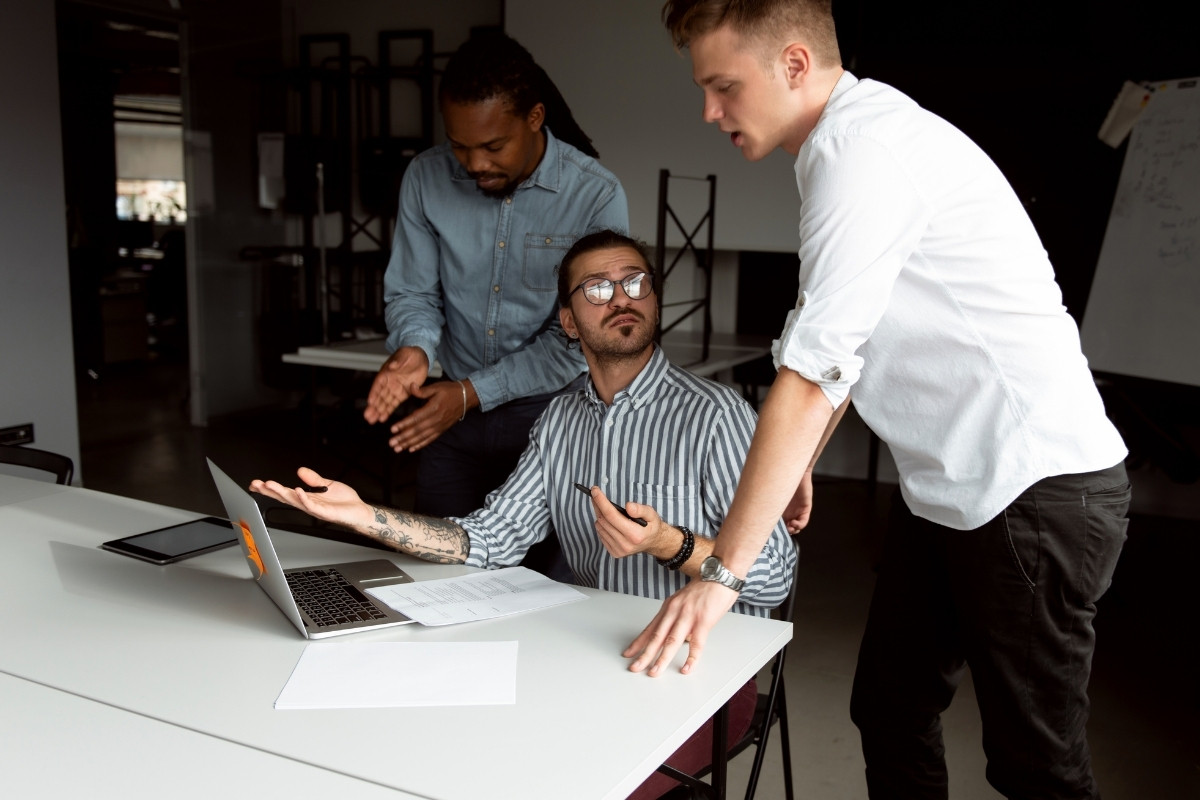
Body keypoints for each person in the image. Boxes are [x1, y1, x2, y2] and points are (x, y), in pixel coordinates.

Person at [636, 3, 1133, 799]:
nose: (709, 111)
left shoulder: (860, 151)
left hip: (1033, 491)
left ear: (794, 64)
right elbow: (841, 343)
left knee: (1036, 768)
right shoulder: (845, 145)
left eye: (723, 86)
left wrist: (720, 575)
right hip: (953, 491)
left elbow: (809, 376)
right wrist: (804, 457)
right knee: (891, 707)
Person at [253, 230, 797, 800]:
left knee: (577, 780)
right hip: (586, 652)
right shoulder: (560, 421)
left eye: (636, 282)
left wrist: (670, 543)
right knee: (463, 748)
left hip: (696, 674)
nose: (622, 298)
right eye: (598, 288)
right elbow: (488, 539)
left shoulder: (717, 415)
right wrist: (365, 516)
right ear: (567, 322)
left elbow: (776, 575)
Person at [365, 32, 629, 533]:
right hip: (449, 419)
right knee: (440, 574)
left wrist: (470, 393)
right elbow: (414, 292)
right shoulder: (425, 177)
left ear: (534, 118)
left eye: (493, 146)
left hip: (551, 421)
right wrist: (416, 350)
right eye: (460, 145)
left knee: (546, 586)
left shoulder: (595, 195)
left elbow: (579, 339)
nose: (475, 164)